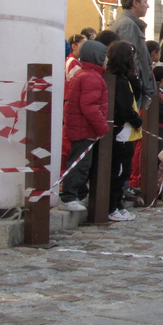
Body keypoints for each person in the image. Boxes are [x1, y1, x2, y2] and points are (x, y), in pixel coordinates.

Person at [60, 40, 109, 211]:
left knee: (81, 163)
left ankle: (80, 194)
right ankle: (69, 197)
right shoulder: (92, 77)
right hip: (84, 128)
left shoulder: (84, 74)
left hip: (81, 127)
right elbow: (89, 106)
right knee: (79, 164)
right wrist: (102, 127)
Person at [106, 40, 142, 222]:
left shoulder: (125, 79)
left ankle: (118, 204)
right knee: (118, 170)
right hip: (121, 132)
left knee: (123, 170)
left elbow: (137, 91)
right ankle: (111, 206)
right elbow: (124, 108)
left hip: (126, 133)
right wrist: (137, 119)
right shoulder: (118, 81)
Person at [110, 0, 156, 108]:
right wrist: (136, 82)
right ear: (135, 3)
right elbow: (130, 58)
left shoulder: (128, 23)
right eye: (145, 2)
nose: (148, 6)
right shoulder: (128, 25)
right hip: (130, 86)